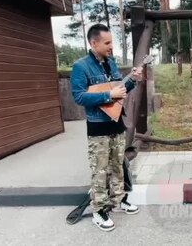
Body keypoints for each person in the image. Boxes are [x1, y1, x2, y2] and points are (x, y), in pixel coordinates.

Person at [71, 24, 142, 232]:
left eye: (112, 42)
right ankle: (99, 210)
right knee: (100, 170)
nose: (111, 46)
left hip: (116, 121)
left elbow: (119, 90)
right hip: (97, 126)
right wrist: (107, 96)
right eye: (107, 42)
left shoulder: (111, 63)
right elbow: (79, 96)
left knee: (117, 165)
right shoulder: (81, 66)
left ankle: (119, 200)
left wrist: (133, 81)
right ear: (94, 43)